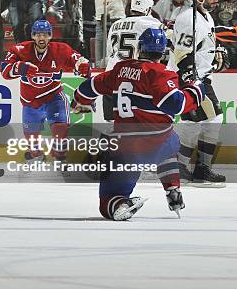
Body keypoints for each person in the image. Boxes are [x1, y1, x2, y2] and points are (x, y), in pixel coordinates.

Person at [73, 29, 205, 220]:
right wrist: (196, 87)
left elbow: (90, 86)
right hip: (159, 143)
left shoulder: (120, 69)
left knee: (107, 203)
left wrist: (81, 100)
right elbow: (177, 104)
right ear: (163, 52)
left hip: (125, 149)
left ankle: (121, 203)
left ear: (140, 48)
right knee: (169, 140)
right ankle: (172, 188)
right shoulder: (161, 74)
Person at [1, 19, 91, 162]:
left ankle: (60, 157)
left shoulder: (61, 50)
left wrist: (83, 67)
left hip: (53, 97)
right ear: (32, 36)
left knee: (61, 127)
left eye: (45, 34)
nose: (41, 38)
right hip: (30, 101)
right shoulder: (20, 50)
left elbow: (79, 61)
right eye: (38, 34)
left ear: (50, 35)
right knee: (32, 143)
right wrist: (20, 67)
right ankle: (36, 153)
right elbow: (4, 71)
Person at [169, 0, 229, 186]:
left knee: (191, 123)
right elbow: (182, 53)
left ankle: (181, 167)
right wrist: (190, 82)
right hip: (192, 79)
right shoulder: (189, 18)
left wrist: (213, 57)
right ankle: (201, 168)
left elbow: (200, 47)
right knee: (213, 118)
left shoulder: (206, 17)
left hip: (199, 77)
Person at [103, 0, 162, 120]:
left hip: (110, 76)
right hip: (133, 79)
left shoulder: (115, 24)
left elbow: (109, 52)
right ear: (148, 9)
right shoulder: (151, 23)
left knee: (109, 125)